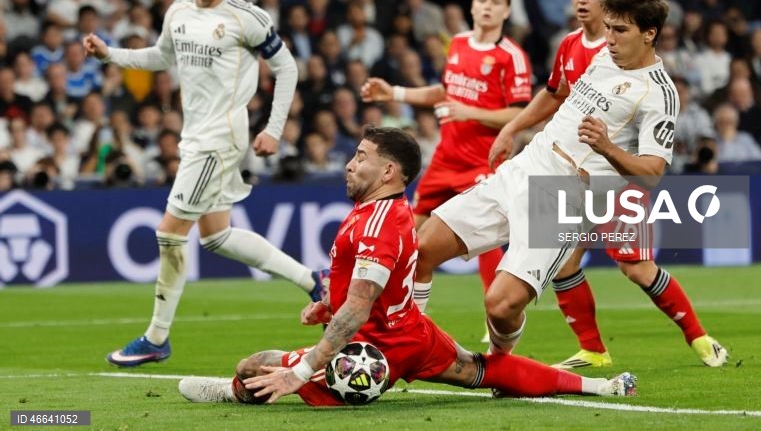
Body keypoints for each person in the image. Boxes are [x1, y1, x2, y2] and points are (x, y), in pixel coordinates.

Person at [177, 126, 637, 405]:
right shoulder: (380, 211)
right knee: (482, 369)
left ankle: (232, 392)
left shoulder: (379, 223)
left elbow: (360, 307)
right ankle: (599, 388)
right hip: (413, 334)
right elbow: (369, 289)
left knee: (255, 365)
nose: (350, 164)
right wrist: (328, 305)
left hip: (373, 349)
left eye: (361, 157)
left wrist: (301, 371)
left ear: (389, 172)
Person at [411, 0, 728, 370]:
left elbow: (653, 172)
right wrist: (511, 128)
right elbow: (555, 93)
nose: (609, 38)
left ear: (649, 34)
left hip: (565, 197)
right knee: (422, 248)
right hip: (526, 165)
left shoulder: (659, 94)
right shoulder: (604, 56)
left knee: (502, 304)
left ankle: (500, 363)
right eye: (608, 27)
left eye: (620, 30)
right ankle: (411, 341)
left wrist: (607, 147)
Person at [83, 0, 328, 367]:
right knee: (216, 236)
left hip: (220, 139)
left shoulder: (247, 17)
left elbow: (287, 67)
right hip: (194, 137)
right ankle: (313, 281)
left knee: (169, 231)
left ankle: (156, 337)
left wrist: (273, 129)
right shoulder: (178, 12)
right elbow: (161, 56)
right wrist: (110, 55)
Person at [360, 0, 533, 334]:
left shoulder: (511, 56)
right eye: (482, 0)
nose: (487, 7)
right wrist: (394, 92)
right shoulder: (457, 43)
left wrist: (470, 112)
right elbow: (444, 92)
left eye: (495, 2)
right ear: (472, 6)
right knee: (407, 235)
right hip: (445, 160)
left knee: (483, 241)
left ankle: (495, 319)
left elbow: (520, 113)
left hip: (483, 161)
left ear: (506, 10)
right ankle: (406, 320)